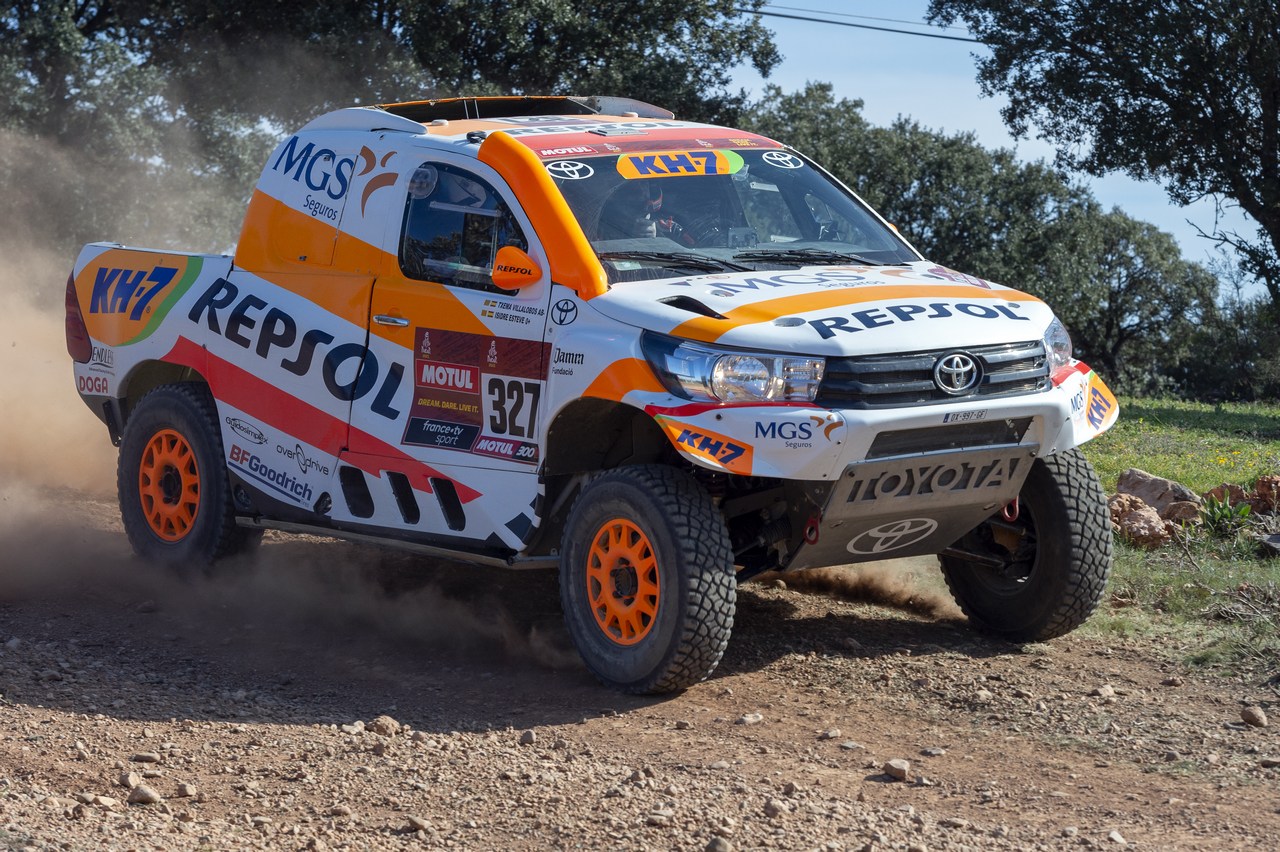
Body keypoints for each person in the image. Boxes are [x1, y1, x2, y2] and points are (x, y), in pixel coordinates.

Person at [598, 181, 683, 240]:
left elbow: (683, 250)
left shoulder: (668, 226)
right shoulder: (602, 223)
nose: (642, 191)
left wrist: (657, 236)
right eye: (632, 189)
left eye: (644, 184)